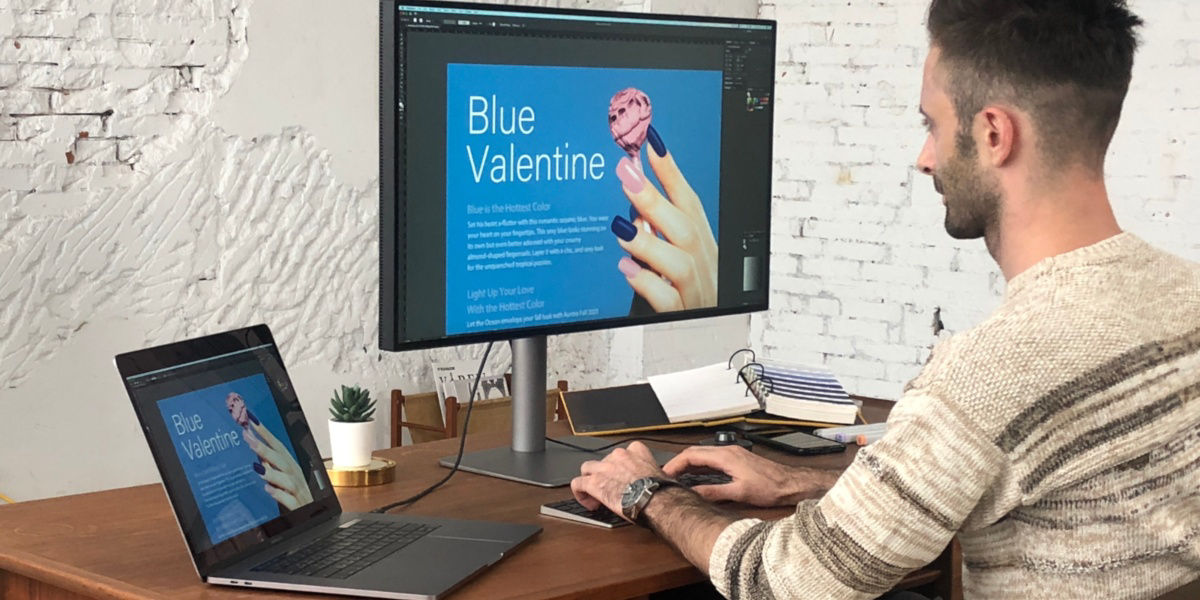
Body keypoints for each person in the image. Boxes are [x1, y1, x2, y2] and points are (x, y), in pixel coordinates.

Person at [570, 1, 1200, 598]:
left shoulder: (990, 376)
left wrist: (647, 492)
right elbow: (1021, 481)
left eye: (933, 125)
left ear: (993, 134)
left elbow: (785, 583)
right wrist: (804, 481)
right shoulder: (1185, 299)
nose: (925, 158)